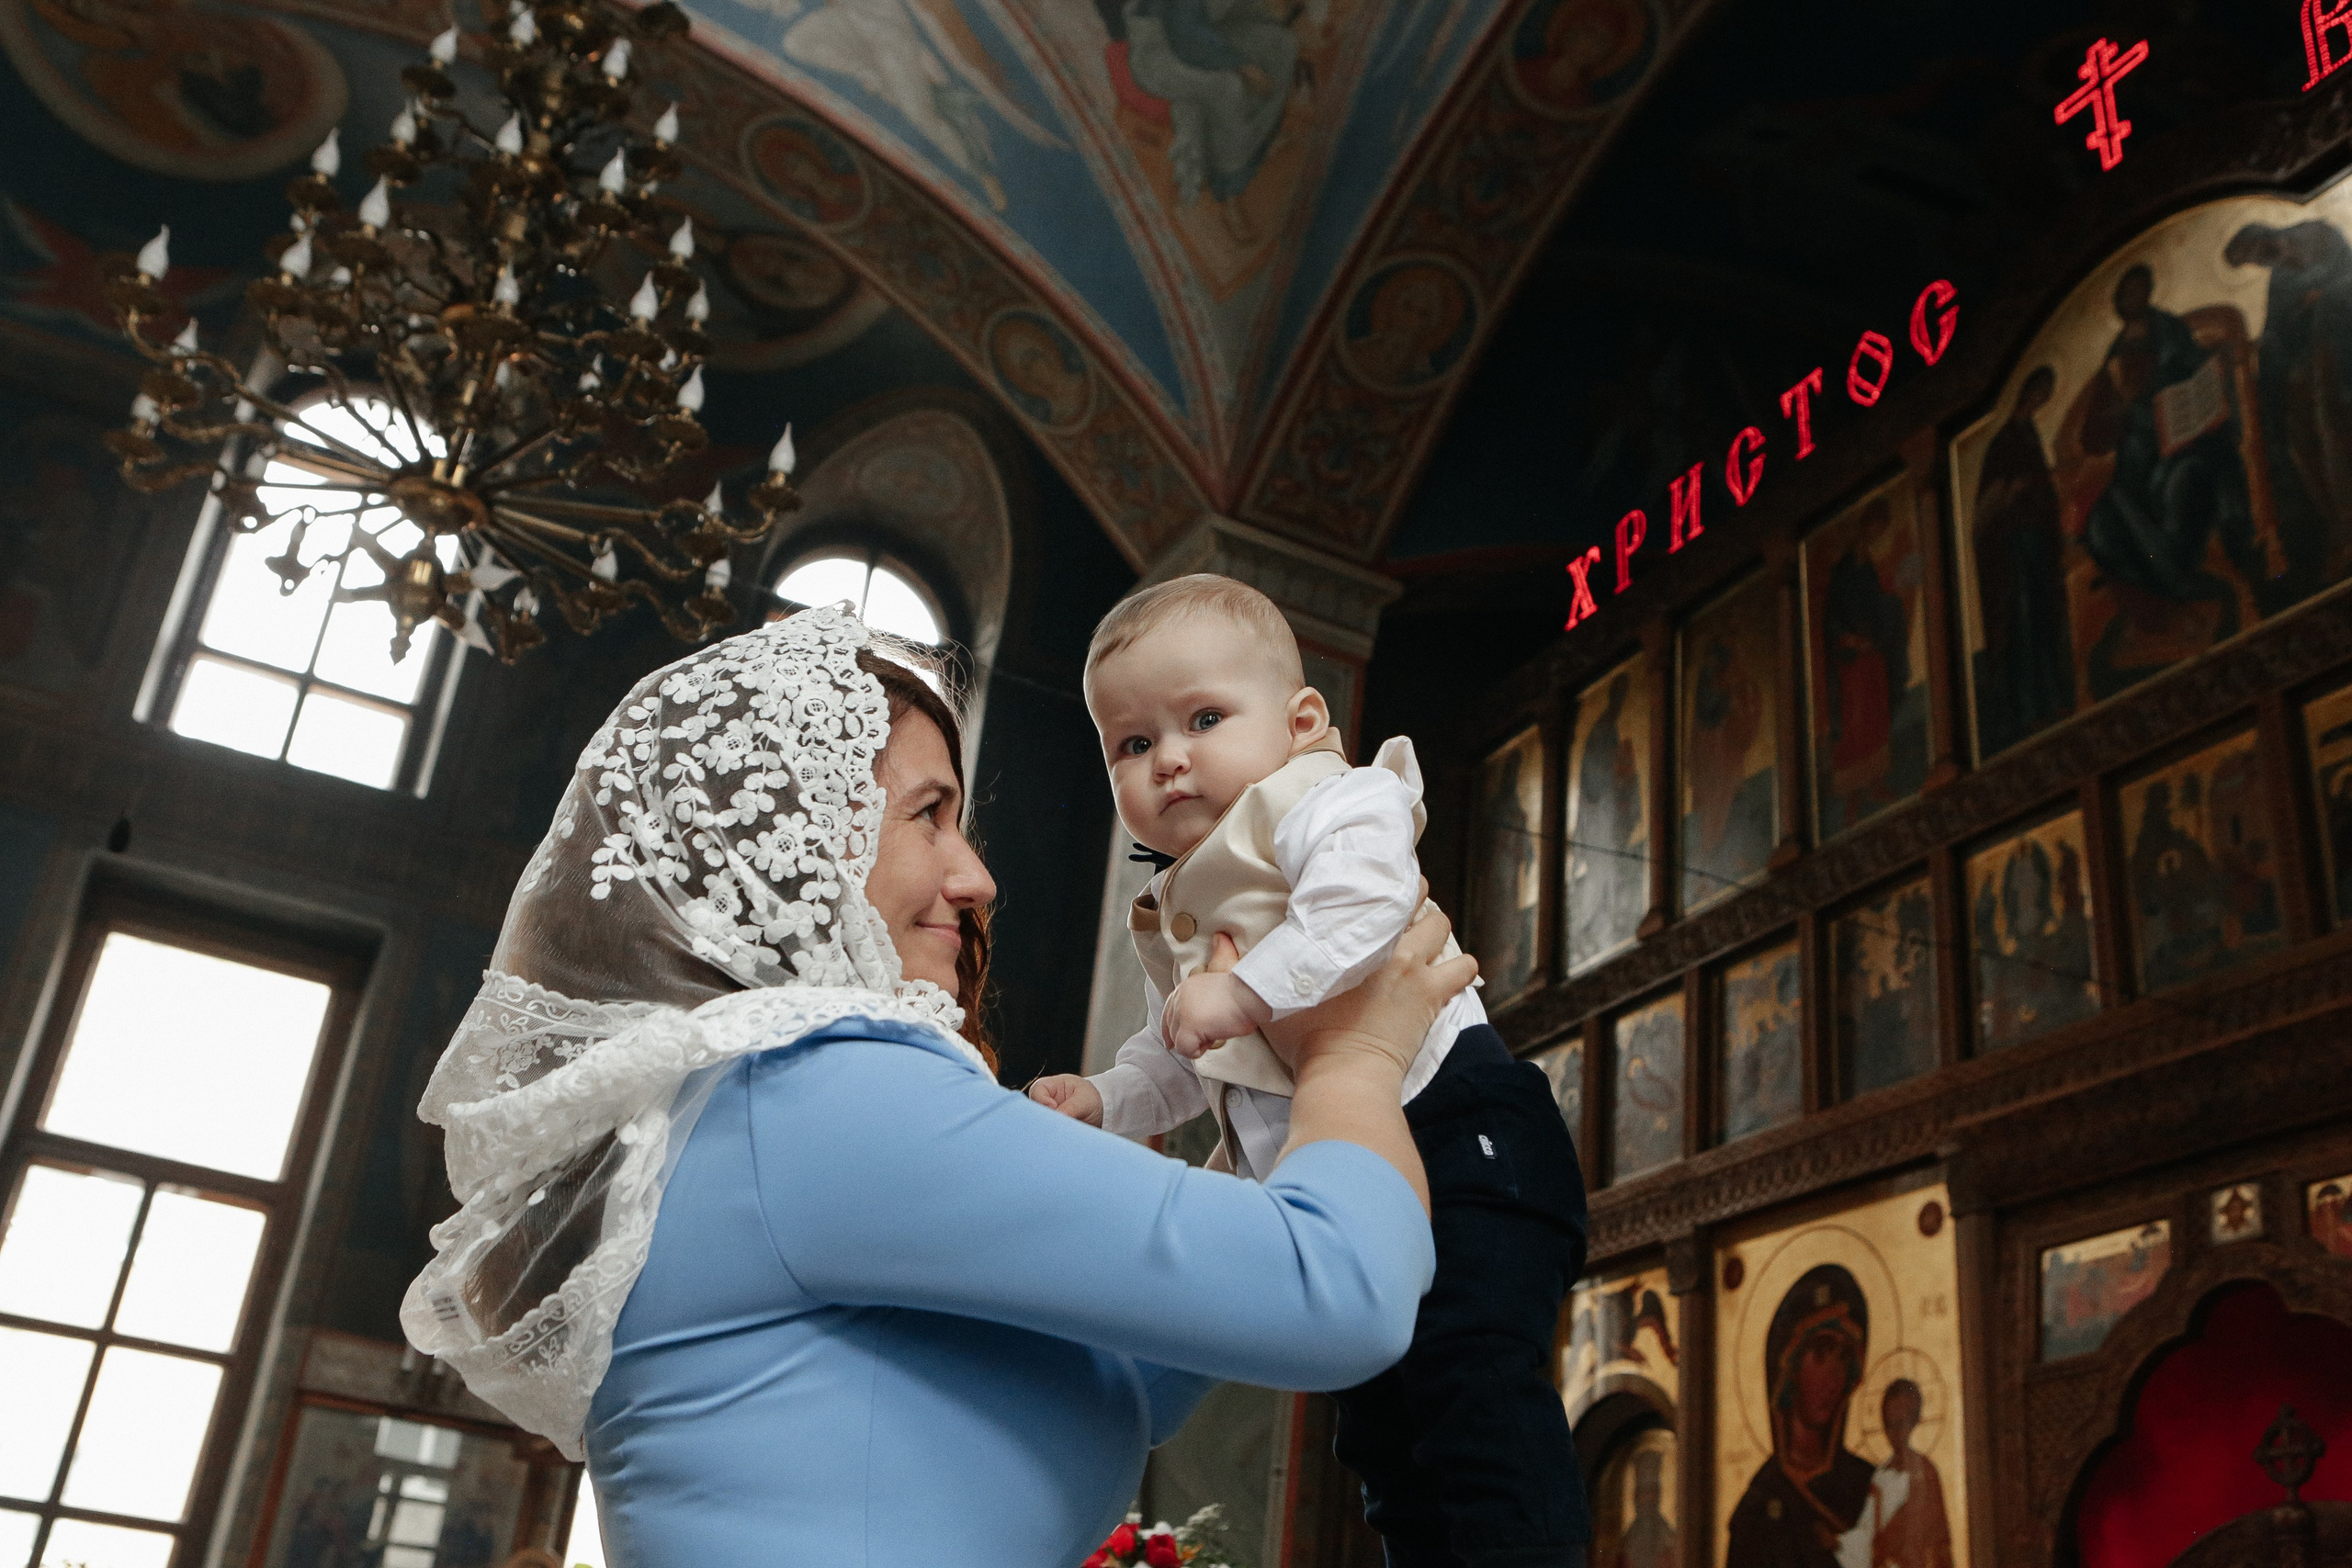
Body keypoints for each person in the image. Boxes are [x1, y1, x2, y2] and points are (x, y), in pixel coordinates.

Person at [401, 605, 1474, 1566]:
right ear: (792, 849)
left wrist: (1263, 1125)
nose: (976, 877)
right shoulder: (813, 1093)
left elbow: (1118, 1379)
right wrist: (1351, 1056)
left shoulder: (725, 1109)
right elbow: (1339, 1295)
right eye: (931, 816)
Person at [1028, 574, 1590, 1568]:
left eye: (1204, 719)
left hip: (1459, 1137)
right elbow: (1180, 1053)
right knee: (1384, 1436)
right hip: (1356, 1183)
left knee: (1473, 1402)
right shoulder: (1184, 900)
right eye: (1133, 743)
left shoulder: (1329, 798)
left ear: (1300, 723)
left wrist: (1244, 994)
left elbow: (1364, 906)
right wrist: (1107, 1098)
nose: (1169, 759)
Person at [1725, 1264, 1873, 1568]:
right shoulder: (1756, 1509)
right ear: (1789, 1368)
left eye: (1843, 1358)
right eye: (1820, 1354)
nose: (1833, 1378)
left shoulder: (1867, 1487)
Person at [1969, 367, 2075, 754]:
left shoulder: (2029, 434)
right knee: (2024, 623)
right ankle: (2026, 710)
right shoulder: (2004, 440)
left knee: (2044, 619)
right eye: (2038, 394)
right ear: (2026, 393)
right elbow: (1990, 502)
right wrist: (2015, 489)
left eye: (2045, 397)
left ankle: (2051, 701)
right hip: (2015, 544)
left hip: (2037, 539)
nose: (2039, 402)